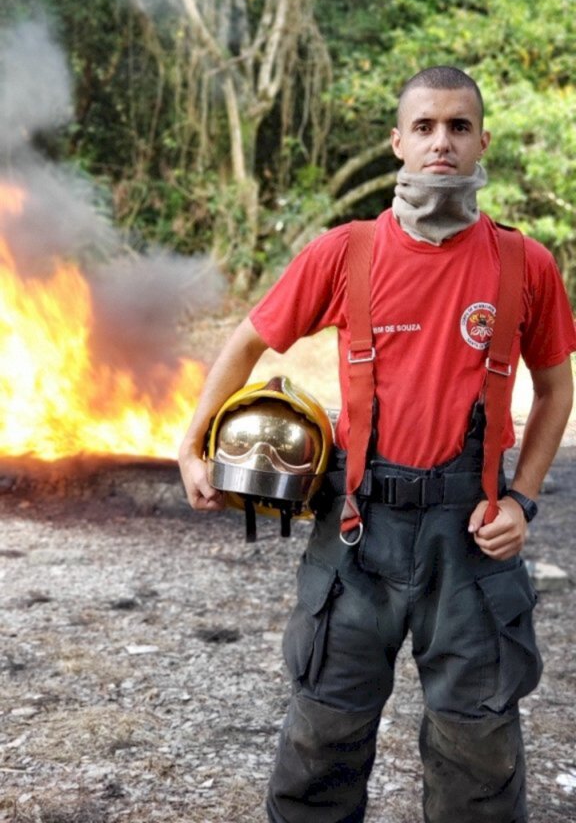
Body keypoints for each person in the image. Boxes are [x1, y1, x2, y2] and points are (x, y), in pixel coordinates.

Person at [178, 66, 576, 823]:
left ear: (482, 140)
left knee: (477, 752)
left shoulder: (526, 265)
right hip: (357, 532)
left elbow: (557, 389)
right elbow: (247, 343)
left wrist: (522, 499)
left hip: (471, 541)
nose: (441, 143)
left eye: (459, 127)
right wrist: (192, 442)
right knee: (323, 737)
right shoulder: (344, 253)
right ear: (398, 142)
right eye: (424, 127)